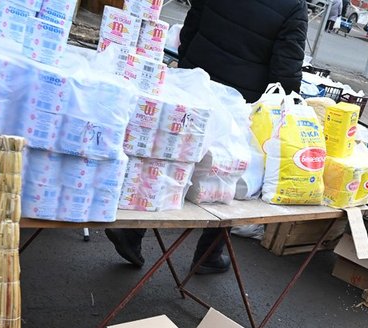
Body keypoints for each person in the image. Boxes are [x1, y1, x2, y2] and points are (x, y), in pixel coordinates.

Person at [105, 0, 307, 274]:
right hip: (240, 101)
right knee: (227, 178)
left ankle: (133, 232)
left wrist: (188, 67)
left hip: (193, 81)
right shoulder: (293, 6)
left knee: (170, 156)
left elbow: (191, 25)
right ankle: (208, 254)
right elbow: (286, 72)